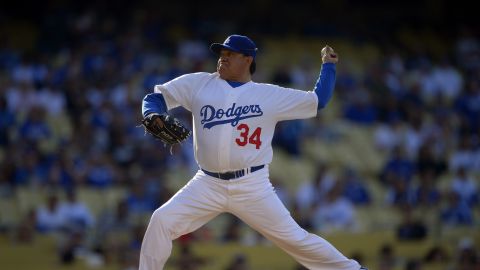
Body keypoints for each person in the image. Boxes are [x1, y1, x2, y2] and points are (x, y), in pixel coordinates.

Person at [139, 34, 367, 270]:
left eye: (230, 54)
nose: (223, 58)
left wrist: (328, 66)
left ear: (248, 60)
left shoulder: (268, 94)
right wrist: (152, 114)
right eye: (222, 54)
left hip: (251, 185)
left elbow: (318, 100)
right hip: (207, 183)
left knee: (296, 239)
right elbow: (156, 97)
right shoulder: (199, 84)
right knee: (161, 221)